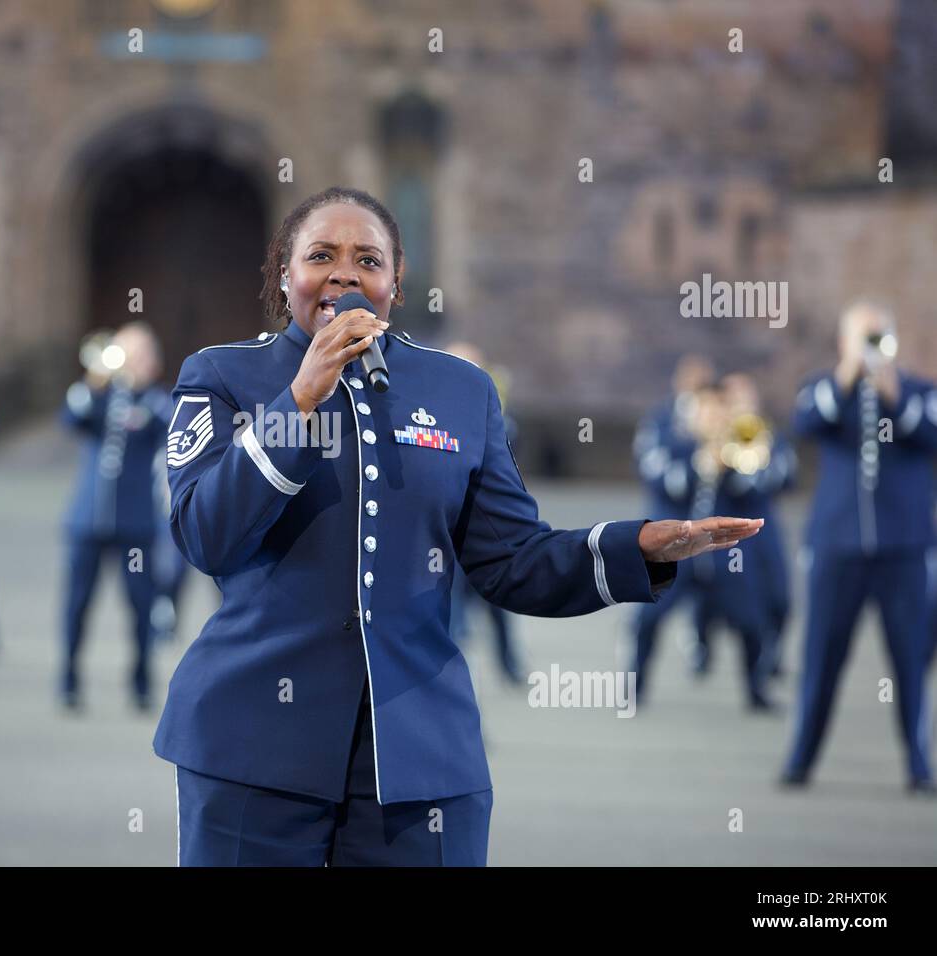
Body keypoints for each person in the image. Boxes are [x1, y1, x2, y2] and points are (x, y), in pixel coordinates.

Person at [154, 186, 764, 866]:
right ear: (284, 274)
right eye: (321, 255)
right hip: (252, 747)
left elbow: (511, 561)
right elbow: (206, 534)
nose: (345, 273)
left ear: (396, 283)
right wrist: (299, 398)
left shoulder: (459, 390)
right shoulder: (222, 375)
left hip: (420, 757)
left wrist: (636, 546)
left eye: (368, 259)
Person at [781, 301, 937, 793]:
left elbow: (931, 435)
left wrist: (895, 397)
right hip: (837, 546)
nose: (871, 346)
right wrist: (847, 375)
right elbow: (804, 426)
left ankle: (917, 762)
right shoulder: (825, 390)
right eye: (862, 337)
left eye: (878, 336)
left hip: (904, 547)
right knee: (821, 655)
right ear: (844, 342)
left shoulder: (920, 391)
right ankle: (801, 757)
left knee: (910, 659)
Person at [60, 321, 172, 711]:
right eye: (126, 353)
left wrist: (140, 389)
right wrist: (97, 379)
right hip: (87, 520)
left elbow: (167, 427)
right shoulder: (98, 394)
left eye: (141, 355)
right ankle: (68, 678)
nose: (132, 363)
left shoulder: (157, 402)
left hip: (136, 524)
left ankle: (141, 680)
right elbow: (72, 418)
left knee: (140, 606)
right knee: (76, 604)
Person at [690, 373, 795, 685]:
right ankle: (704, 647)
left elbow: (787, 478)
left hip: (765, 525)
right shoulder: (714, 437)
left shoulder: (768, 434)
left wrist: (760, 468)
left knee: (779, 598)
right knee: (721, 599)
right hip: (729, 530)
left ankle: (770, 655)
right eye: (734, 398)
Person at [442, 341, 526, 685]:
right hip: (445, 535)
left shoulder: (497, 418)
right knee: (453, 615)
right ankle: (456, 672)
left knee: (499, 605)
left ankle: (509, 663)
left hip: (484, 532)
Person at [629, 356, 714, 684]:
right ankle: (635, 680)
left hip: (716, 546)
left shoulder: (727, 420)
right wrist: (697, 461)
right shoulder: (661, 421)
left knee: (752, 615)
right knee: (649, 616)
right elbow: (655, 472)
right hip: (670, 540)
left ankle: (752, 682)